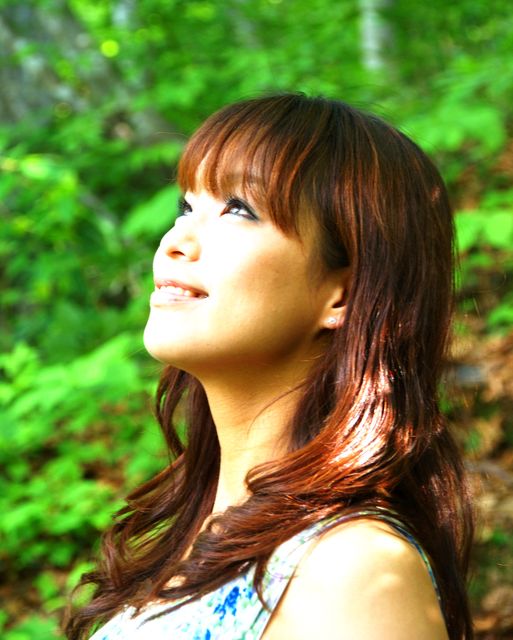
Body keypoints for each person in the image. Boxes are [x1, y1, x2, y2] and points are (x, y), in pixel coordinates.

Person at [66, 93, 474, 639]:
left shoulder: (353, 570)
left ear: (343, 294)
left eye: (238, 208)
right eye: (187, 207)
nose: (175, 241)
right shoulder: (196, 539)